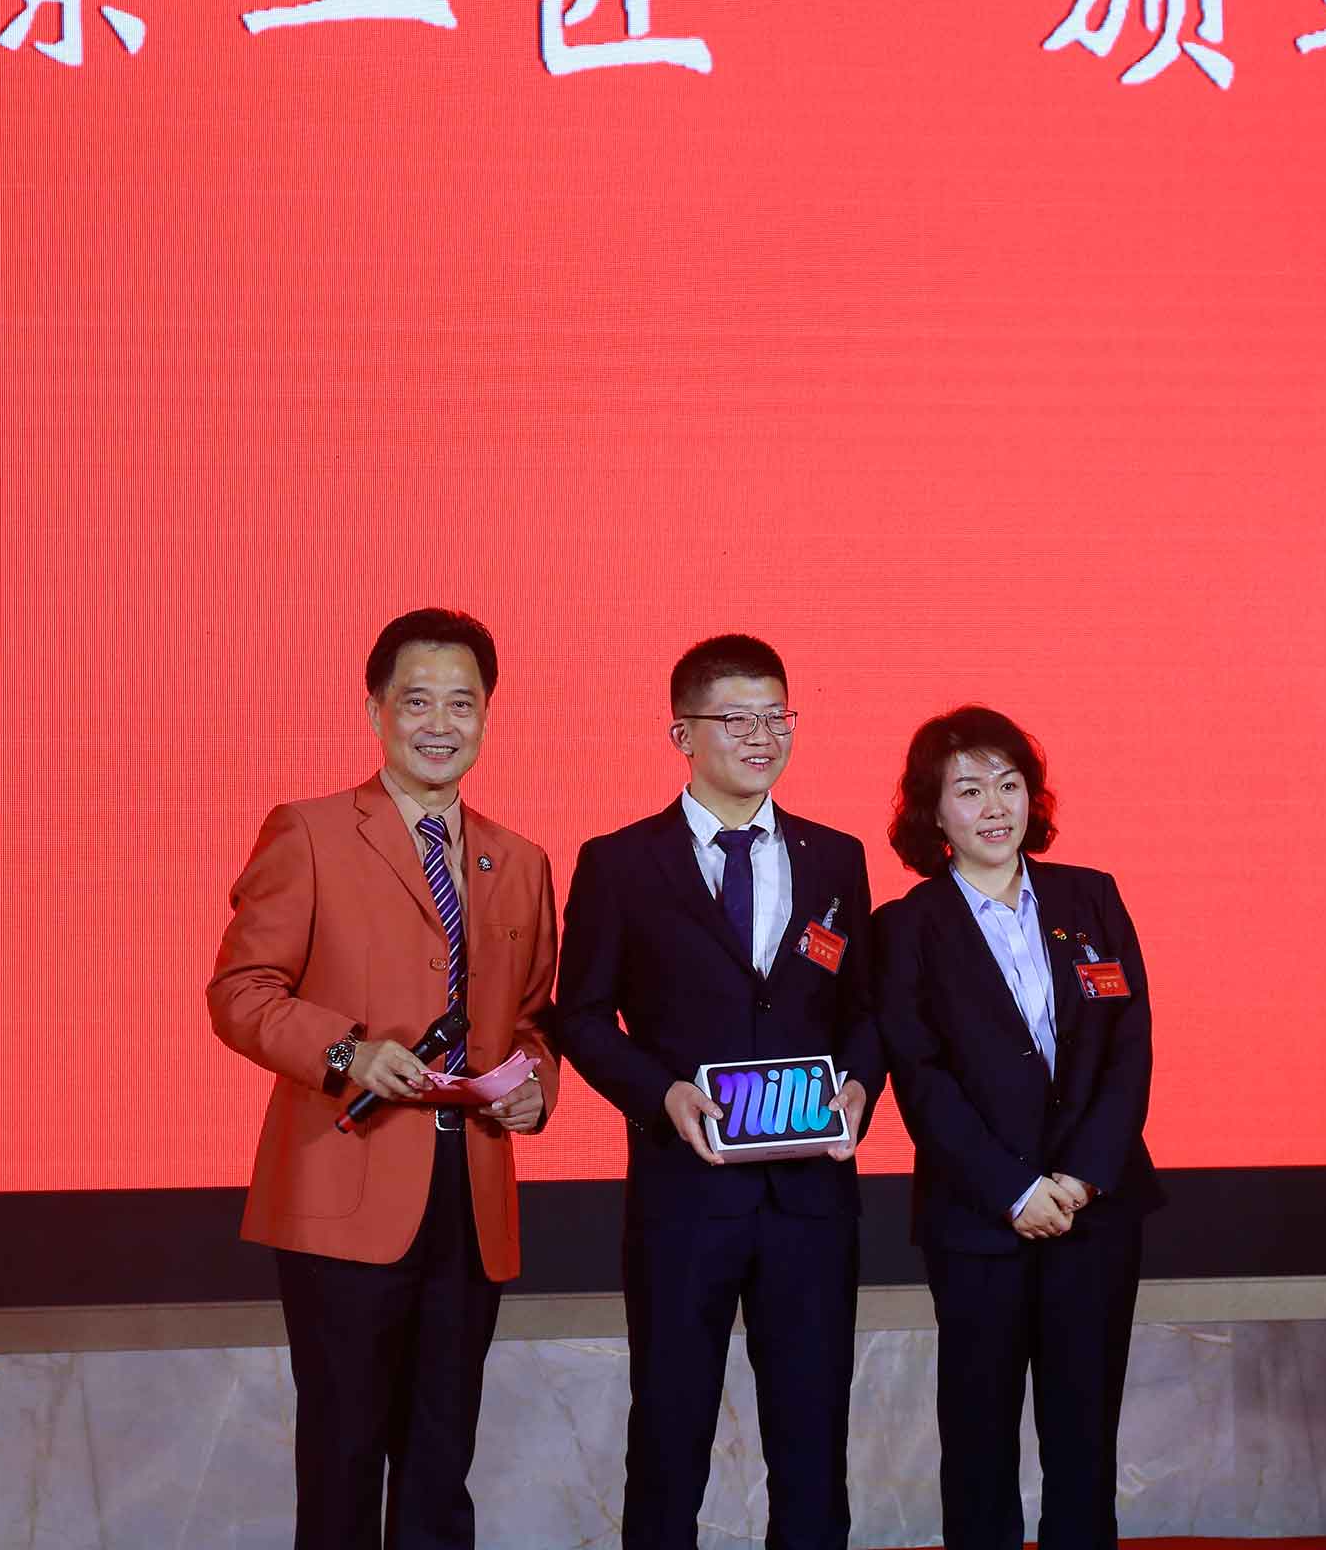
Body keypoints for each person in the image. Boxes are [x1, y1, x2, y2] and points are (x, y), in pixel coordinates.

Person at [207, 607, 558, 1550]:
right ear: (376, 712)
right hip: (343, 1191)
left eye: (462, 703)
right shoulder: (310, 832)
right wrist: (345, 1053)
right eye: (417, 701)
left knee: (442, 1466)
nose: (440, 723)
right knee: (343, 1460)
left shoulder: (521, 862)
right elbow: (239, 992)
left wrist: (536, 1087)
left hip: (470, 1203)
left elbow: (532, 1024)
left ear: (486, 716)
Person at [550, 634, 883, 1550]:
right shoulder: (619, 862)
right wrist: (660, 1094)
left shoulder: (836, 857)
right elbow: (580, 1016)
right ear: (681, 735)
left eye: (778, 716)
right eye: (735, 719)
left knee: (812, 1439)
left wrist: (860, 1086)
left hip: (812, 1198)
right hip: (683, 1196)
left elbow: (865, 1009)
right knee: (669, 1433)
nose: (762, 736)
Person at [871, 705, 1163, 1550]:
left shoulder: (1089, 896)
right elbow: (920, 1076)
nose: (995, 806)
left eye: (1009, 784)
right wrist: (1013, 1188)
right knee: (979, 1440)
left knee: (1085, 1438)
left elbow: (1130, 1045)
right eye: (969, 791)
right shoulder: (907, 927)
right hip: (978, 1222)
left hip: (1094, 1215)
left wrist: (1080, 1177)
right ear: (933, 814)